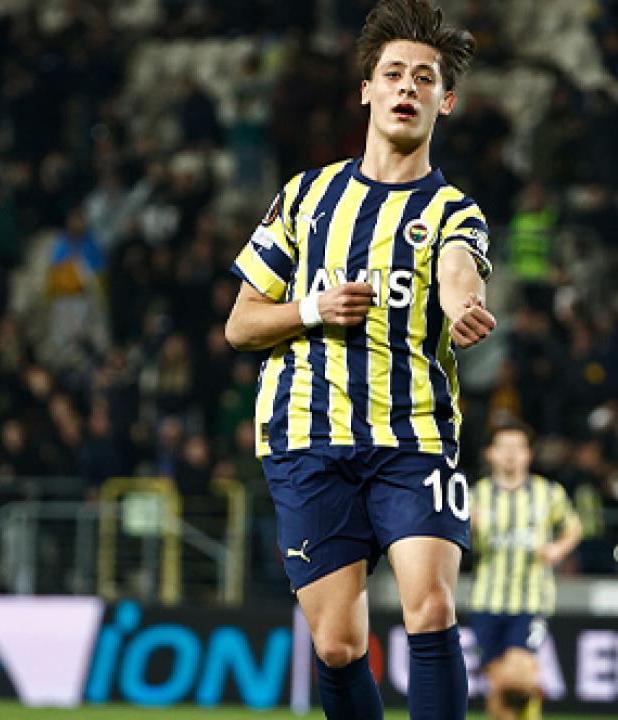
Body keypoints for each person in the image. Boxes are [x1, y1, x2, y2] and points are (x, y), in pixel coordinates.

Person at [223, 2, 495, 718]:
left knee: (431, 608)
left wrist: (462, 302)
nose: (408, 87)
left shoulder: (453, 211)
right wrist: (313, 308)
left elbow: (458, 269)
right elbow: (241, 325)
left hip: (414, 437)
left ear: (446, 101)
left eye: (425, 78)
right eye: (394, 73)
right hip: (308, 440)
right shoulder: (305, 196)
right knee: (340, 645)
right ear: (367, 90)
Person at [470, 422, 581, 720]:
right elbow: (458, 546)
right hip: (487, 599)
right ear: (490, 453)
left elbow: (573, 527)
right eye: (503, 447)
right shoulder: (476, 495)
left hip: (532, 599)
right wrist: (467, 528)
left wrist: (558, 549)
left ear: (529, 454)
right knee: (499, 683)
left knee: (518, 675)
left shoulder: (548, 493)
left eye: (517, 447)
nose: (510, 454)